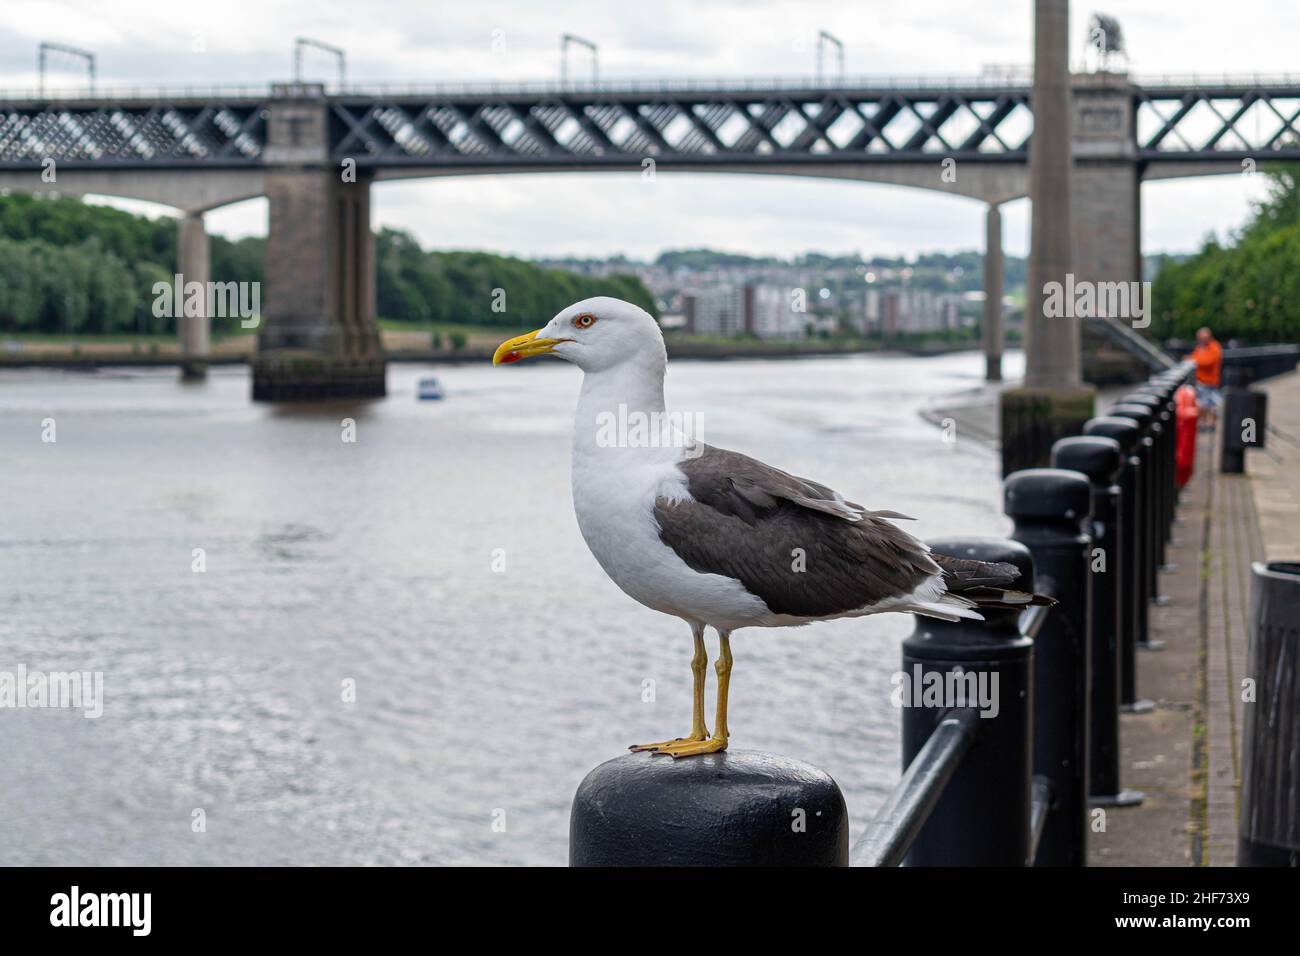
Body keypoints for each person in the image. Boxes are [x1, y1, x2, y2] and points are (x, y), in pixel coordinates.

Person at [1187, 327, 1223, 429]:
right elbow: (1195, 357)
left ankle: (1211, 424)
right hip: (1202, 381)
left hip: (1210, 381)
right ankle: (1204, 423)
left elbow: (1207, 361)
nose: (1201, 340)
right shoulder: (1200, 348)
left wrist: (1193, 359)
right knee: (1203, 404)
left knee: (1211, 405)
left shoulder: (1214, 347)